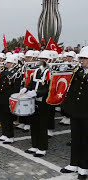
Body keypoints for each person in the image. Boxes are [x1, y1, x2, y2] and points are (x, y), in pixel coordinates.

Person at [61, 47, 88, 180]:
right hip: (76, 111)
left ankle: (84, 167)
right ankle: (74, 163)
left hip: (86, 112)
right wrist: (66, 106)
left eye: (84, 58)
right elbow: (72, 90)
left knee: (85, 140)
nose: (82, 61)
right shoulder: (77, 72)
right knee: (75, 137)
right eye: (81, 58)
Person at [23, 50, 51, 157]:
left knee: (42, 125)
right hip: (33, 101)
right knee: (34, 124)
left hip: (44, 102)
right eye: (40, 59)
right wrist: (26, 89)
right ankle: (34, 145)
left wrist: (37, 93)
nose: (42, 61)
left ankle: (42, 147)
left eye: (44, 59)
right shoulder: (37, 71)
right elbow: (31, 83)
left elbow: (49, 89)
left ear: (48, 60)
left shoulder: (50, 72)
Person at [0, 54, 22, 144]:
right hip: (2, 97)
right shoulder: (4, 71)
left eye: (9, 63)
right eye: (7, 62)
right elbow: (0, 84)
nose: (7, 64)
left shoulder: (16, 74)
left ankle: (10, 136)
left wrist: (12, 98)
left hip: (8, 97)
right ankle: (4, 134)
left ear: (13, 64)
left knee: (8, 118)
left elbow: (16, 88)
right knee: (3, 117)